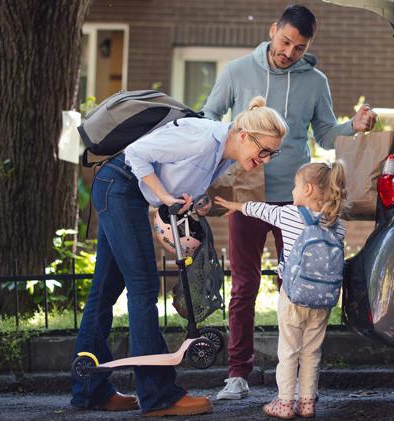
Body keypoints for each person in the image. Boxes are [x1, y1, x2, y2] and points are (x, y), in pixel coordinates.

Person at [201, 4, 376, 400]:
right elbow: (210, 117)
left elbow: (328, 134)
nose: (289, 52)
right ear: (272, 31)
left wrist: (356, 126)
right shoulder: (236, 72)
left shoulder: (315, 81)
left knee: (295, 286)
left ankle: (295, 374)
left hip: (299, 199)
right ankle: (237, 374)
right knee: (244, 285)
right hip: (247, 193)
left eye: (299, 47)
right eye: (285, 42)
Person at [70, 96, 287, 416]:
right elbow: (135, 154)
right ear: (244, 135)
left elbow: (178, 176)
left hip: (121, 191)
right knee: (143, 289)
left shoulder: (224, 155)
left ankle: (90, 390)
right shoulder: (201, 138)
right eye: (264, 151)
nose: (266, 159)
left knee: (104, 290)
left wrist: (193, 203)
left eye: (273, 153)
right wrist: (164, 197)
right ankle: (159, 395)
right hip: (119, 187)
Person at [214, 161, 347, 418]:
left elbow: (260, 210)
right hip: (323, 300)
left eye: (295, 186)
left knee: (289, 351)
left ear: (307, 189)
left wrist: (237, 205)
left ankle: (285, 402)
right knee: (311, 352)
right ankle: (307, 402)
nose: (292, 192)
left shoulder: (289, 214)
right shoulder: (337, 224)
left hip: (293, 295)